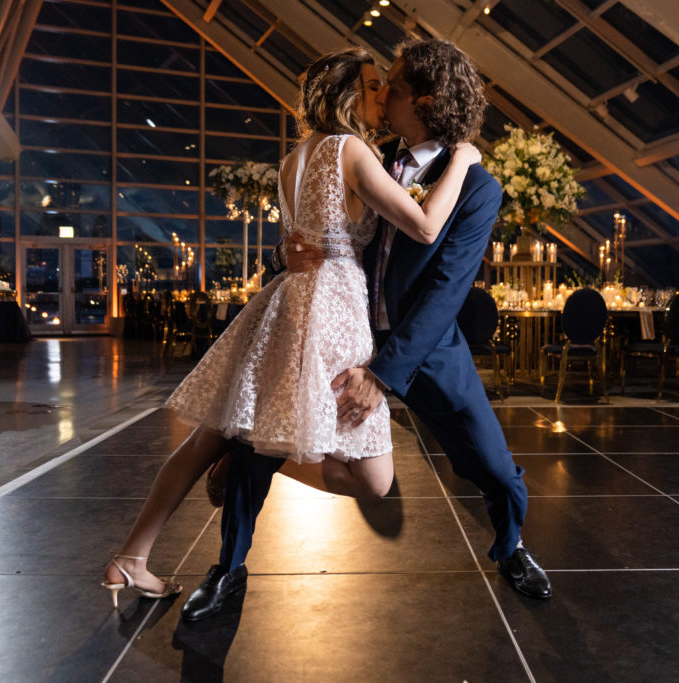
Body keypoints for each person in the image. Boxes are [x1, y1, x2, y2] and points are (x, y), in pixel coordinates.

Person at [180, 38, 550, 623]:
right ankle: (227, 569)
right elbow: (329, 232)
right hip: (342, 333)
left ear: (424, 102)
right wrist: (287, 254)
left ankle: (510, 548)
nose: (383, 96)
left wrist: (383, 373)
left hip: (420, 353)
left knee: (495, 470)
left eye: (394, 87)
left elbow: (445, 291)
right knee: (262, 442)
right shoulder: (367, 154)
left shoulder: (477, 187)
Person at [102, 47, 482, 609]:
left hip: (285, 302)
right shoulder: (351, 150)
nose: (383, 95)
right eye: (374, 86)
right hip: (329, 309)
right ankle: (255, 457)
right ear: (350, 94)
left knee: (209, 435)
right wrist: (463, 161)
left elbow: (313, 231)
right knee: (373, 480)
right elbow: (426, 227)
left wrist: (293, 251)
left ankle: (131, 556)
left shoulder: (295, 157)